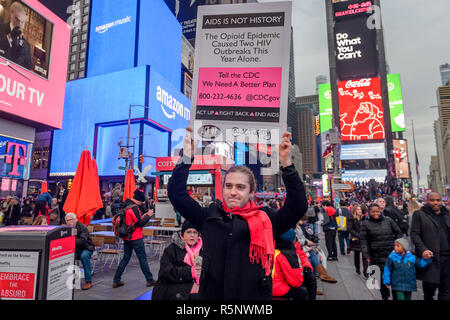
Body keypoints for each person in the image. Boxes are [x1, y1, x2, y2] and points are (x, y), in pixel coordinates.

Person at [167, 126, 308, 300]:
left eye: (240, 187)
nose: (233, 192)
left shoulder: (267, 219)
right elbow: (176, 194)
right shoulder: (209, 216)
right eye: (229, 186)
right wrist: (187, 155)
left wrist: (286, 164)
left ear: (251, 192)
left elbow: (298, 205)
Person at [113, 189, 156, 288]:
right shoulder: (134, 208)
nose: (141, 204)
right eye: (141, 202)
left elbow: (135, 220)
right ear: (138, 201)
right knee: (142, 258)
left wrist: (144, 215)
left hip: (126, 237)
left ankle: (116, 280)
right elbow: (140, 223)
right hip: (136, 237)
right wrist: (148, 215)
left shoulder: (126, 206)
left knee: (125, 258)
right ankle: (149, 280)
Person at [411, 192, 450, 300]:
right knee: (429, 292)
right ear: (427, 201)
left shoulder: (446, 214)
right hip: (431, 259)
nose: (436, 203)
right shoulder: (419, 214)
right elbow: (414, 234)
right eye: (432, 200)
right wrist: (423, 250)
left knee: (446, 291)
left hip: (447, 259)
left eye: (438, 200)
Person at [360, 203, 402, 300]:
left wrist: (398, 247)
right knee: (382, 281)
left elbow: (398, 233)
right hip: (376, 256)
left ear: (380, 211)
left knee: (394, 279)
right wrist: (367, 255)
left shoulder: (388, 220)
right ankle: (385, 297)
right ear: (369, 212)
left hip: (391, 255)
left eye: (377, 211)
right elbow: (364, 241)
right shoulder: (365, 224)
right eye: (373, 211)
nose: (375, 213)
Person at [152, 220, 203, 300]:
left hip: (195, 284)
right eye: (188, 232)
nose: (192, 235)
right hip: (172, 285)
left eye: (195, 232)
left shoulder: (203, 250)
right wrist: (190, 272)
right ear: (182, 234)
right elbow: (166, 272)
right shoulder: (171, 249)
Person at [272, 229, 309, 300]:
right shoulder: (285, 254)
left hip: (266, 284)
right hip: (276, 288)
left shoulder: (273, 250)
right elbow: (295, 282)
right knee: (303, 293)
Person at [65, 212, 94, 290]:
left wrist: (70, 241)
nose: (68, 222)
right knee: (66, 255)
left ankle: (88, 281)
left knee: (84, 256)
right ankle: (70, 278)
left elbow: (82, 241)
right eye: (66, 221)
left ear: (75, 220)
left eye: (70, 220)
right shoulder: (67, 228)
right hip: (75, 249)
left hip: (87, 248)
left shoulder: (82, 227)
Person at [0, 1, 31, 70]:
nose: (20, 24)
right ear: (11, 15)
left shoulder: (26, 46)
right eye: (17, 19)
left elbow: (28, 70)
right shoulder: (1, 28)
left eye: (22, 22)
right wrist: (9, 37)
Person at [347, 204, 368, 277]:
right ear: (355, 211)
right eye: (358, 209)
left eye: (360, 209)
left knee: (365, 255)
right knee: (357, 254)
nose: (360, 211)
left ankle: (365, 271)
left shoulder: (364, 218)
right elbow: (350, 229)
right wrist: (358, 235)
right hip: (356, 239)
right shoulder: (351, 218)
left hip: (364, 239)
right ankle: (357, 267)